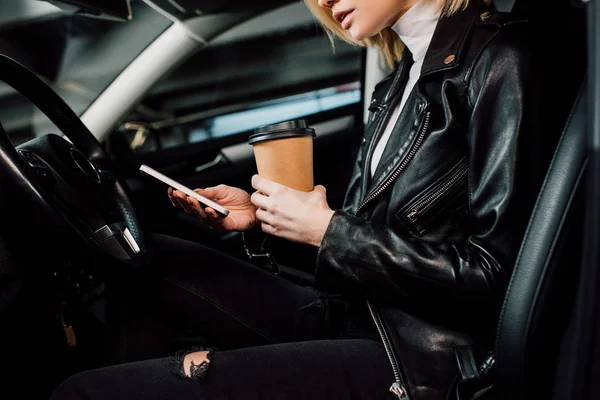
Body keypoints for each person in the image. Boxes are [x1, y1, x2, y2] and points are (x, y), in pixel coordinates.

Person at [50, 0, 546, 398]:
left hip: (420, 360)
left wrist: (329, 229)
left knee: (84, 390)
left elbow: (498, 280)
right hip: (359, 315)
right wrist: (266, 219)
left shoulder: (502, 58)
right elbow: (375, 237)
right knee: (149, 258)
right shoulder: (404, 77)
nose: (325, 2)